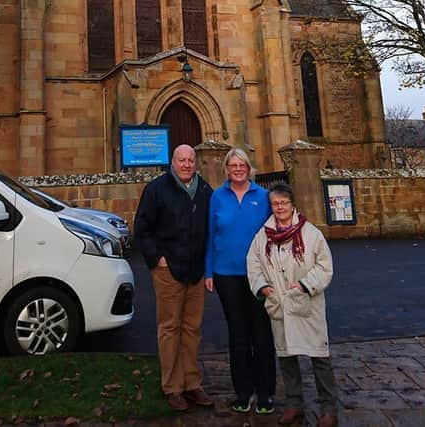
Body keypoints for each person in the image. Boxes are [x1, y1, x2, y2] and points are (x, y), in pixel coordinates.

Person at [247, 183, 338, 427]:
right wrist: (263, 287)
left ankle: (328, 409)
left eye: (284, 203)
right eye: (275, 203)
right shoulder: (263, 235)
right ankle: (294, 404)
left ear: (292, 204)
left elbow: (324, 266)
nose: (280, 207)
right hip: (280, 305)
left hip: (306, 304)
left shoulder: (310, 233)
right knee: (287, 357)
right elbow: (253, 263)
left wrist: (304, 285)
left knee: (319, 356)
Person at [134, 144, 214, 411]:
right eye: (182, 160)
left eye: (191, 160)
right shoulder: (157, 189)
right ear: (173, 162)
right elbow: (142, 229)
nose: (187, 165)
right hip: (169, 271)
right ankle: (172, 387)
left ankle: (192, 384)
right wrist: (158, 260)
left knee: (192, 329)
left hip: (196, 271)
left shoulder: (204, 191)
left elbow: (212, 229)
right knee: (169, 328)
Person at [204, 148, 276, 414]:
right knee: (238, 335)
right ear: (226, 169)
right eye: (232, 165)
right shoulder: (217, 197)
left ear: (249, 168)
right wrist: (208, 271)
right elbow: (210, 234)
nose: (237, 169)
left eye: (242, 165)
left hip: (258, 276)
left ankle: (266, 392)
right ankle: (243, 393)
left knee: (261, 333)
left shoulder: (263, 196)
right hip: (226, 275)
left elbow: (275, 233)